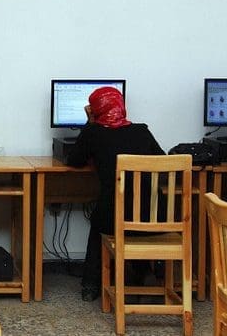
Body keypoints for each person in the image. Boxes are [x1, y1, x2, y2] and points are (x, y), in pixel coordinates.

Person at [65, 86, 164, 302]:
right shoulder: (142, 131)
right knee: (133, 214)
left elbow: (74, 160)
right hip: (153, 217)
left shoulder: (94, 132)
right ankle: (145, 273)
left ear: (96, 109)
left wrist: (90, 122)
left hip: (114, 220)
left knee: (99, 219)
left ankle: (90, 285)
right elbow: (162, 161)